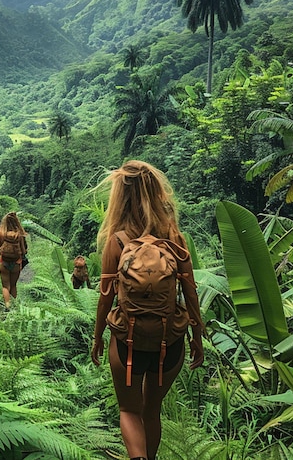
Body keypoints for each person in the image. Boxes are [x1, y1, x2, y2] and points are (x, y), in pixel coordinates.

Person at [91, 160, 204, 460]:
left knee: (129, 409)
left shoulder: (116, 242)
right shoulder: (175, 240)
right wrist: (198, 337)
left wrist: (97, 337)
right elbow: (191, 294)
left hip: (128, 341)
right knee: (151, 410)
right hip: (170, 340)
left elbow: (105, 299)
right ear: (157, 192)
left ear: (119, 196)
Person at [0, 212, 27, 311]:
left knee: (5, 286)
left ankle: (7, 305)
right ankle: (14, 308)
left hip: (4, 262)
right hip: (16, 263)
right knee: (13, 285)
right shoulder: (18, 234)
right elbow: (23, 251)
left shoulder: (1, 233)